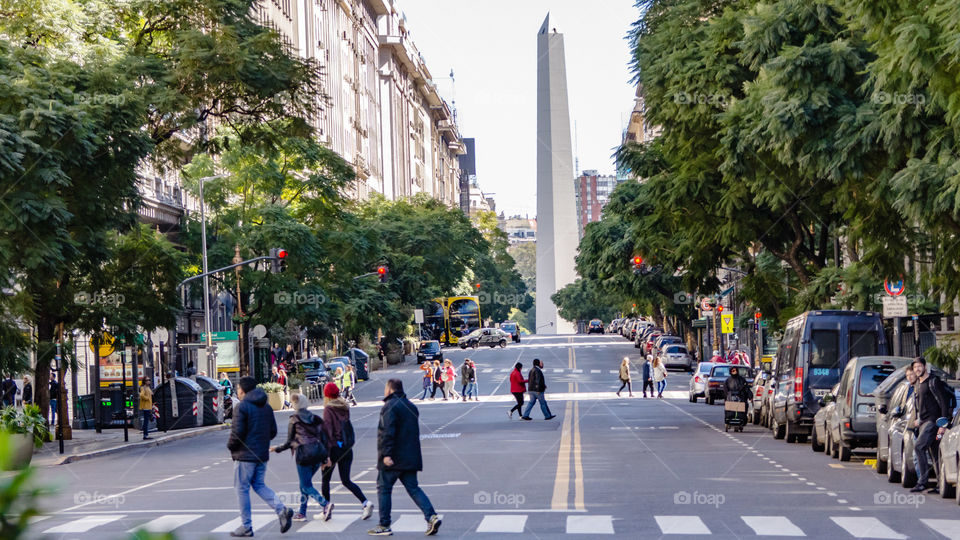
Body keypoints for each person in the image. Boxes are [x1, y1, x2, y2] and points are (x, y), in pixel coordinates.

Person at [368, 379, 441, 536]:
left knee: (384, 489)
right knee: (413, 488)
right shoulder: (411, 406)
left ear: (390, 389)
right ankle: (431, 516)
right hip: (410, 457)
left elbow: (387, 431)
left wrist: (386, 454)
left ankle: (384, 524)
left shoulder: (389, 407)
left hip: (393, 457)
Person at [226, 376, 293, 537]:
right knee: (259, 485)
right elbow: (273, 432)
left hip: (244, 455)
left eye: (238, 388)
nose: (237, 391)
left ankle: (246, 526)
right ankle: (281, 509)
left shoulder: (242, 407)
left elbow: (237, 433)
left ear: (242, 390)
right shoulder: (266, 407)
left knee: (241, 489)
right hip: (261, 454)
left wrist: (231, 446)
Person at [271, 393, 332, 522]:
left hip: (303, 456)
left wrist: (276, 449)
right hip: (317, 455)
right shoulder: (316, 418)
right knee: (304, 484)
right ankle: (302, 513)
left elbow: (289, 442)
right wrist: (326, 458)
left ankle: (325, 504)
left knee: (305, 485)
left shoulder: (294, 419)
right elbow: (325, 439)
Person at [320, 383, 373, 521]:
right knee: (346, 480)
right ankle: (365, 503)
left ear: (327, 394)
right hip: (346, 448)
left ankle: (326, 508)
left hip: (333, 449)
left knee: (325, 480)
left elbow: (328, 433)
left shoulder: (328, 410)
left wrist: (326, 456)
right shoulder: (345, 407)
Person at [910, 357, 953, 494]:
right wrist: (918, 419)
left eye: (919, 366)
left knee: (919, 447)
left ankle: (922, 482)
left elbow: (943, 402)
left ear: (925, 367)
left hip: (933, 422)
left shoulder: (934, 382)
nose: (917, 369)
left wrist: (943, 423)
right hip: (924, 422)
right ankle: (941, 484)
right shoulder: (918, 384)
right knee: (934, 453)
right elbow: (920, 405)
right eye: (915, 367)